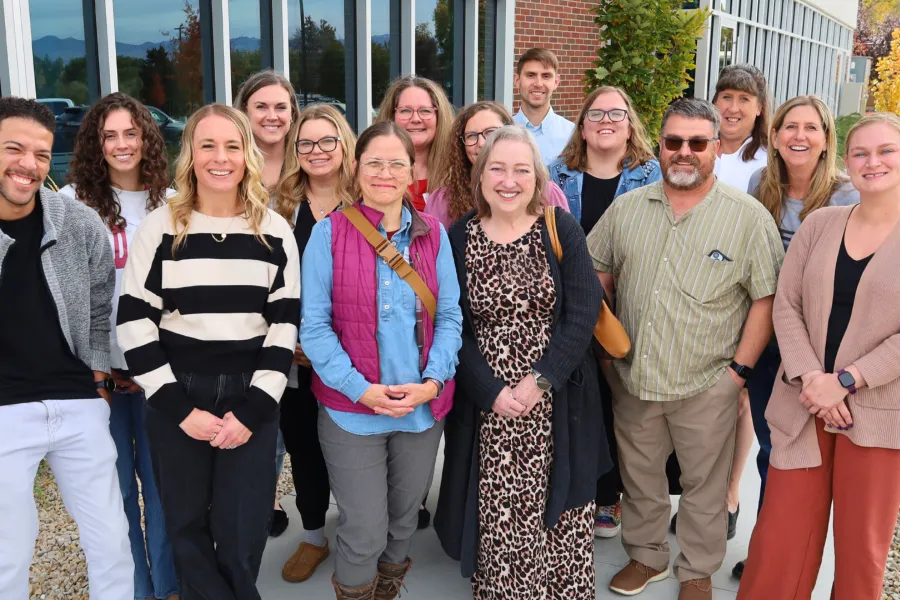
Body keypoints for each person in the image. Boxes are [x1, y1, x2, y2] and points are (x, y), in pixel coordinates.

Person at [587, 98, 784, 600]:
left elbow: (765, 301)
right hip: (633, 378)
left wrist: (738, 374)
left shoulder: (748, 218)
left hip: (707, 382)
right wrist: (607, 352)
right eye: (674, 142)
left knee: (705, 487)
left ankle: (696, 570)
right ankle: (647, 556)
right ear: (660, 145)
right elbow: (597, 274)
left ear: (716, 148)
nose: (684, 152)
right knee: (641, 476)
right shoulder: (628, 209)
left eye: (698, 143)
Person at [117, 104, 300, 600]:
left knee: (243, 531)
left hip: (251, 397)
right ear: (190, 155)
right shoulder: (160, 229)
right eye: (207, 145)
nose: (221, 158)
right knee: (185, 525)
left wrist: (254, 410)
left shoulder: (275, 232)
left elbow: (283, 326)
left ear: (249, 155)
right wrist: (179, 408)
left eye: (232, 146)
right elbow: (134, 322)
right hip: (180, 393)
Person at [434, 125, 609, 599]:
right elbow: (453, 325)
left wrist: (541, 379)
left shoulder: (560, 228)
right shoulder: (458, 237)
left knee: (562, 507)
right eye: (497, 168)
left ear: (537, 177)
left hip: (555, 401)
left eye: (520, 170)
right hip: (489, 407)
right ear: (480, 174)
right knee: (501, 511)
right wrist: (490, 390)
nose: (508, 181)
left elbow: (582, 311)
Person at [736, 112, 900, 600]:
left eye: (886, 151)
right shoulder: (821, 224)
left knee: (860, 552)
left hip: (876, 413)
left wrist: (846, 380)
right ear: (845, 161)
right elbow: (787, 304)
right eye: (861, 153)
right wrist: (813, 378)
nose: (873, 162)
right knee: (781, 542)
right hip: (804, 404)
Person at [300, 121, 462, 600]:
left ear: (412, 170)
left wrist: (433, 382)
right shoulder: (328, 235)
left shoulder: (434, 235)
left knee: (402, 520)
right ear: (356, 168)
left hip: (420, 409)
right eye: (374, 162)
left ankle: (387, 589)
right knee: (364, 528)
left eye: (397, 163)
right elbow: (314, 327)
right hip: (352, 411)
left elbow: (450, 316)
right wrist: (360, 389)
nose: (385, 173)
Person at [0, 97, 133, 599]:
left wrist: (99, 378)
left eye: (40, 154)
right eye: (14, 148)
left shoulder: (76, 222)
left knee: (111, 544)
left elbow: (103, 303)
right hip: (4, 413)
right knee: (8, 551)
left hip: (78, 404)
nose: (28, 165)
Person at [730, 95, 858, 580]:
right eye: (789, 127)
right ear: (775, 136)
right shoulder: (760, 184)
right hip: (767, 338)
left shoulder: (846, 197)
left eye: (810, 128)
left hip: (821, 345)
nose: (798, 136)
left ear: (827, 139)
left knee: (811, 459)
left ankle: (793, 554)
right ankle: (769, 549)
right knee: (775, 448)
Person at [59, 92, 178, 600]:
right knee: (115, 494)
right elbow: (63, 297)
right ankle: (135, 590)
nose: (122, 144)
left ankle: (170, 586)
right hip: (97, 375)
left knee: (165, 489)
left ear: (147, 138)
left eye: (132, 133)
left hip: (159, 372)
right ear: (95, 143)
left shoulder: (173, 202)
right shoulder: (68, 204)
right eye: (110, 135)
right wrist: (90, 370)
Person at [547, 85, 660, 539]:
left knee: (621, 404)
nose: (606, 121)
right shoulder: (556, 173)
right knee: (578, 399)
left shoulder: (651, 174)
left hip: (627, 304)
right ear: (583, 124)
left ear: (630, 122)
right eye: (596, 114)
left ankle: (610, 495)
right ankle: (574, 489)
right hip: (571, 305)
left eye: (616, 113)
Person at [278, 103, 357, 584]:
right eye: (306, 143)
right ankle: (312, 536)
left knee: (354, 449)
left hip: (355, 355)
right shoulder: (277, 207)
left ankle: (359, 531)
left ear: (344, 145)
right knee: (303, 444)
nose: (317, 151)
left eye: (327, 140)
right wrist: (289, 341)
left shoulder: (367, 201)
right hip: (296, 359)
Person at [234, 70, 304, 537]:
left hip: (306, 318)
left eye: (281, 107)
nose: (272, 116)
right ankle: (260, 507)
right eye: (261, 106)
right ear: (244, 112)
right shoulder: (232, 168)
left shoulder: (313, 163)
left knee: (300, 425)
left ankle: (312, 517)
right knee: (260, 420)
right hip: (246, 317)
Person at [425, 100, 570, 231]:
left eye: (491, 133)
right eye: (471, 136)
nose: (481, 143)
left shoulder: (545, 193)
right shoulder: (443, 201)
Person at [375, 76, 454, 211]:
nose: (416, 119)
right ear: (391, 116)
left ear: (440, 117)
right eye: (405, 111)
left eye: (425, 111)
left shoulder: (458, 172)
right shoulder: (369, 170)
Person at [512, 48, 575, 165]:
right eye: (531, 75)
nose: (538, 84)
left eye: (546, 76)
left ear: (556, 82)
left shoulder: (572, 135)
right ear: (517, 80)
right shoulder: (502, 131)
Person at [712, 64, 769, 192]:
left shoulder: (770, 160)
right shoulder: (692, 148)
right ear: (715, 101)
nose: (733, 109)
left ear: (759, 108)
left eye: (744, 99)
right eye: (727, 97)